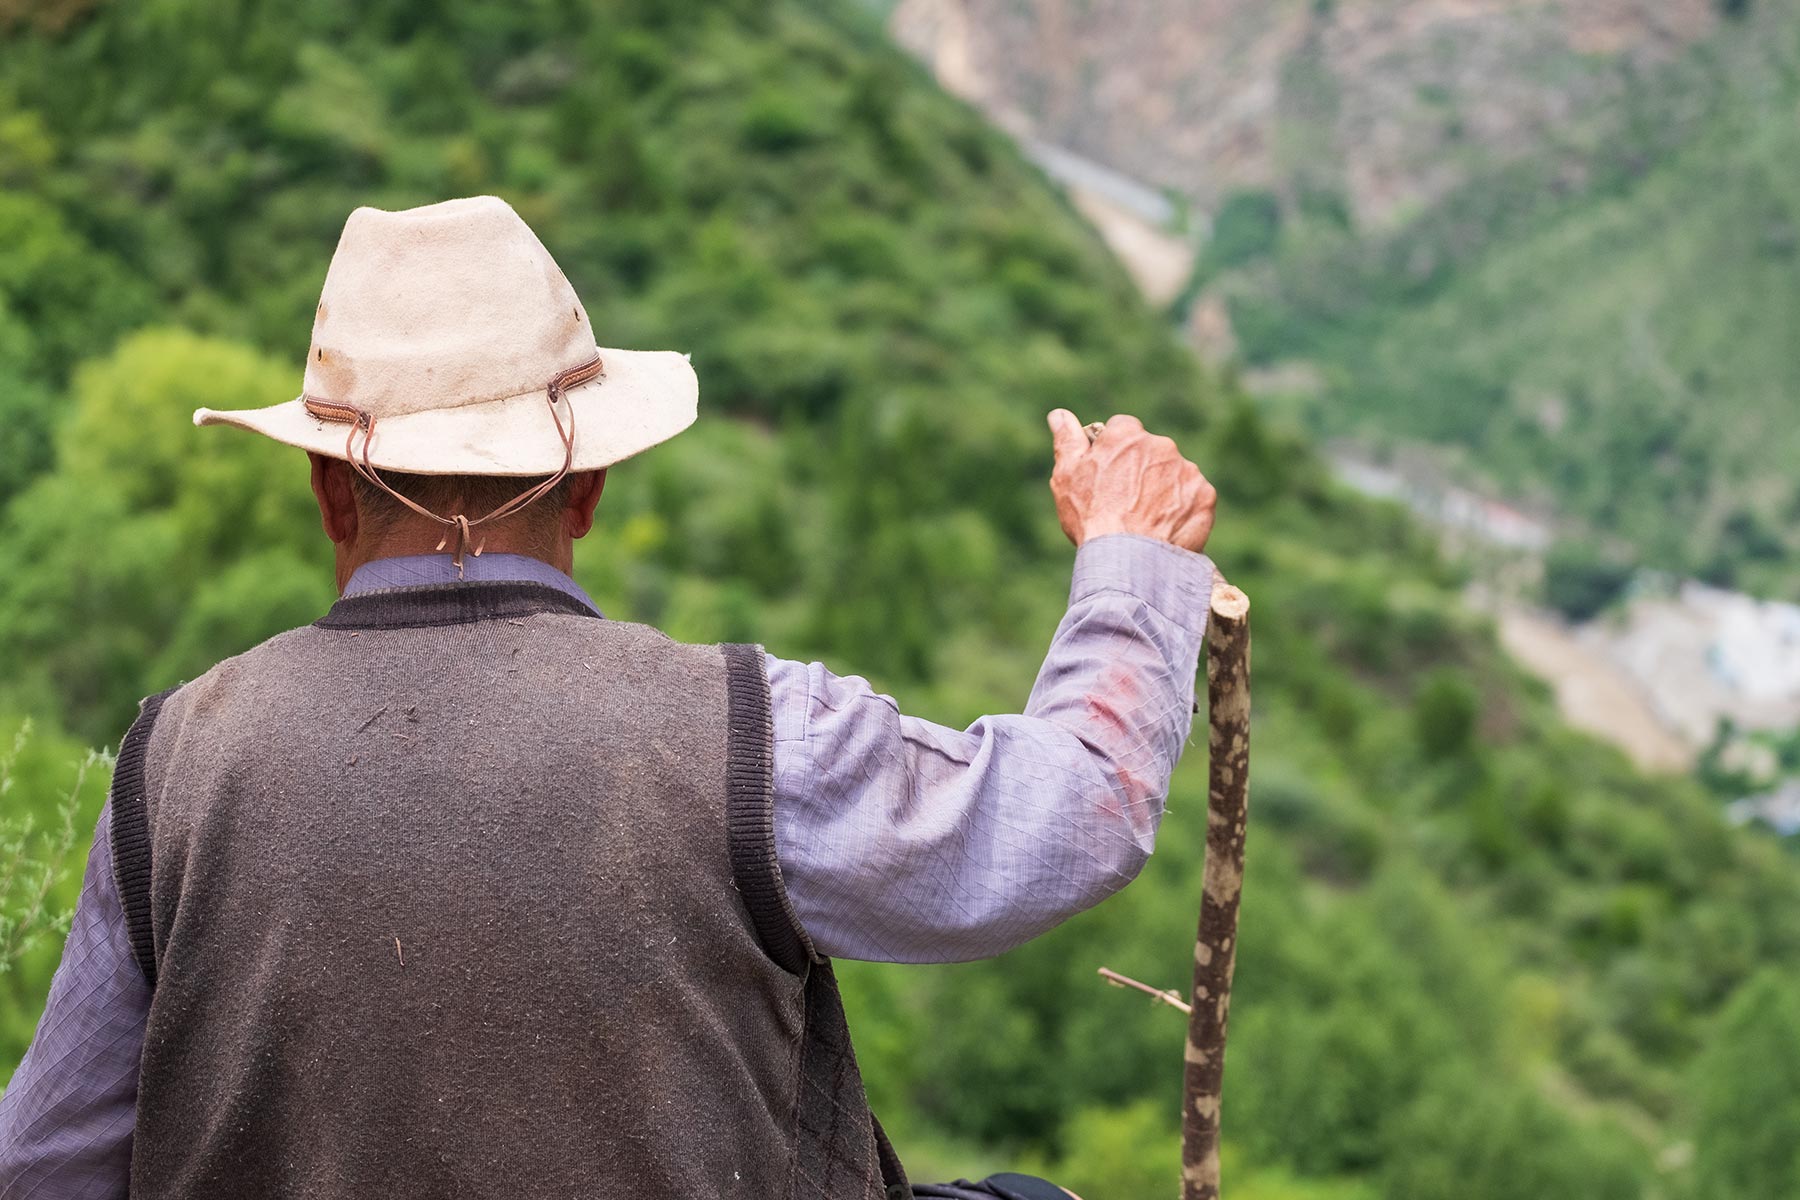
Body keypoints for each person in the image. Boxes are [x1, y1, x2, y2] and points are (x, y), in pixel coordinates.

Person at [0, 196, 1217, 1199]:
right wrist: (1130, 560)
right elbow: (1072, 816)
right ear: (585, 484)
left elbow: (43, 1165)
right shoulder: (745, 735)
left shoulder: (172, 765)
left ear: (325, 487)